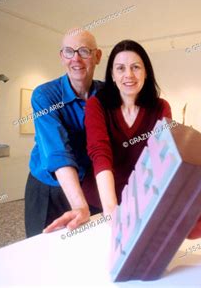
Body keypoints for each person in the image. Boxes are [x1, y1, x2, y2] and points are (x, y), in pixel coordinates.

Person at [44, 39, 172, 230]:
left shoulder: (161, 107)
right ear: (112, 75)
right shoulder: (97, 105)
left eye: (136, 67)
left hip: (140, 201)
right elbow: (100, 153)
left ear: (146, 72)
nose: (128, 75)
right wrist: (111, 210)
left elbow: (159, 159)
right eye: (120, 68)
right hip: (100, 201)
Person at [25, 28, 104, 238]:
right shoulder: (44, 95)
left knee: (88, 247)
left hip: (89, 185)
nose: (76, 59)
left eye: (84, 51)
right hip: (48, 187)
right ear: (62, 57)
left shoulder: (107, 95)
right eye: (69, 51)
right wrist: (79, 205)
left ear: (97, 57)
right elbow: (57, 152)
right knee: (43, 252)